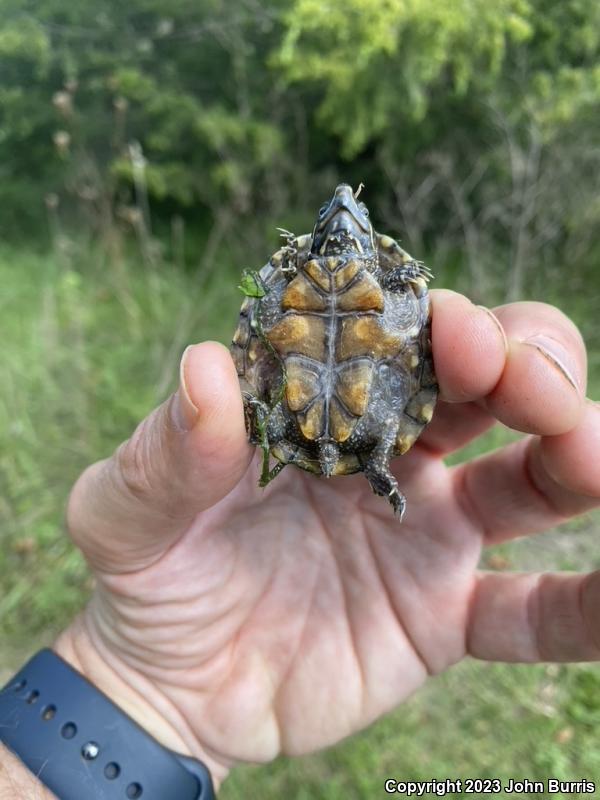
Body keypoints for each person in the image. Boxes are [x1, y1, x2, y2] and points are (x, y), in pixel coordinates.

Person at [2, 290, 599, 798]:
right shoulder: (310, 286)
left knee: (465, 350)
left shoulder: (366, 284)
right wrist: (135, 686)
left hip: (336, 424)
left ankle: (362, 465)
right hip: (310, 423)